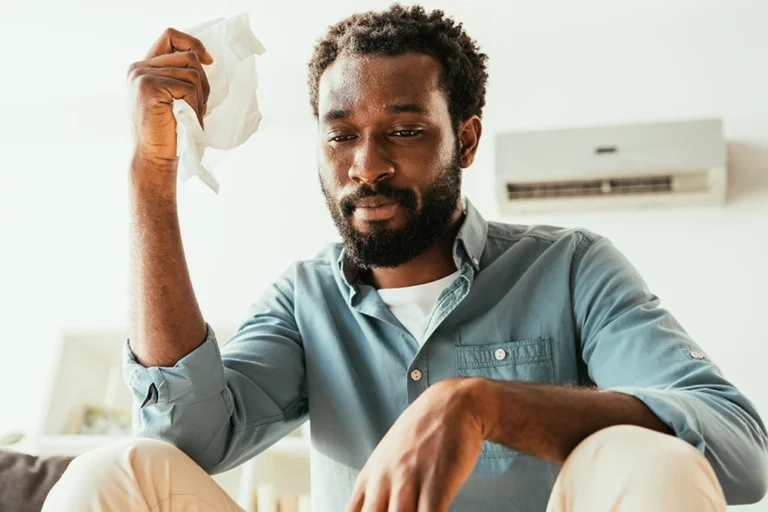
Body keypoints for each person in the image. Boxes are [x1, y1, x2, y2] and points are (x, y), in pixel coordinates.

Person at [44, 4, 767, 512]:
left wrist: (482, 403)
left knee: (653, 455)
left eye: (405, 131)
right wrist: (150, 179)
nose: (367, 165)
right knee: (116, 473)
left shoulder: (571, 269)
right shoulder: (304, 301)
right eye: (340, 136)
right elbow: (181, 440)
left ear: (468, 139)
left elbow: (737, 448)